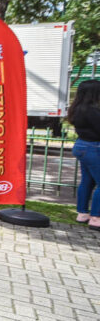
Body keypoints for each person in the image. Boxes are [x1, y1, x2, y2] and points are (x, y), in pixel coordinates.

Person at [70, 79, 100, 229]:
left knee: (87, 181)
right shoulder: (92, 111)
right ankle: (96, 217)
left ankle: (82, 214)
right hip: (93, 147)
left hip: (82, 145)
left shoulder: (77, 108)